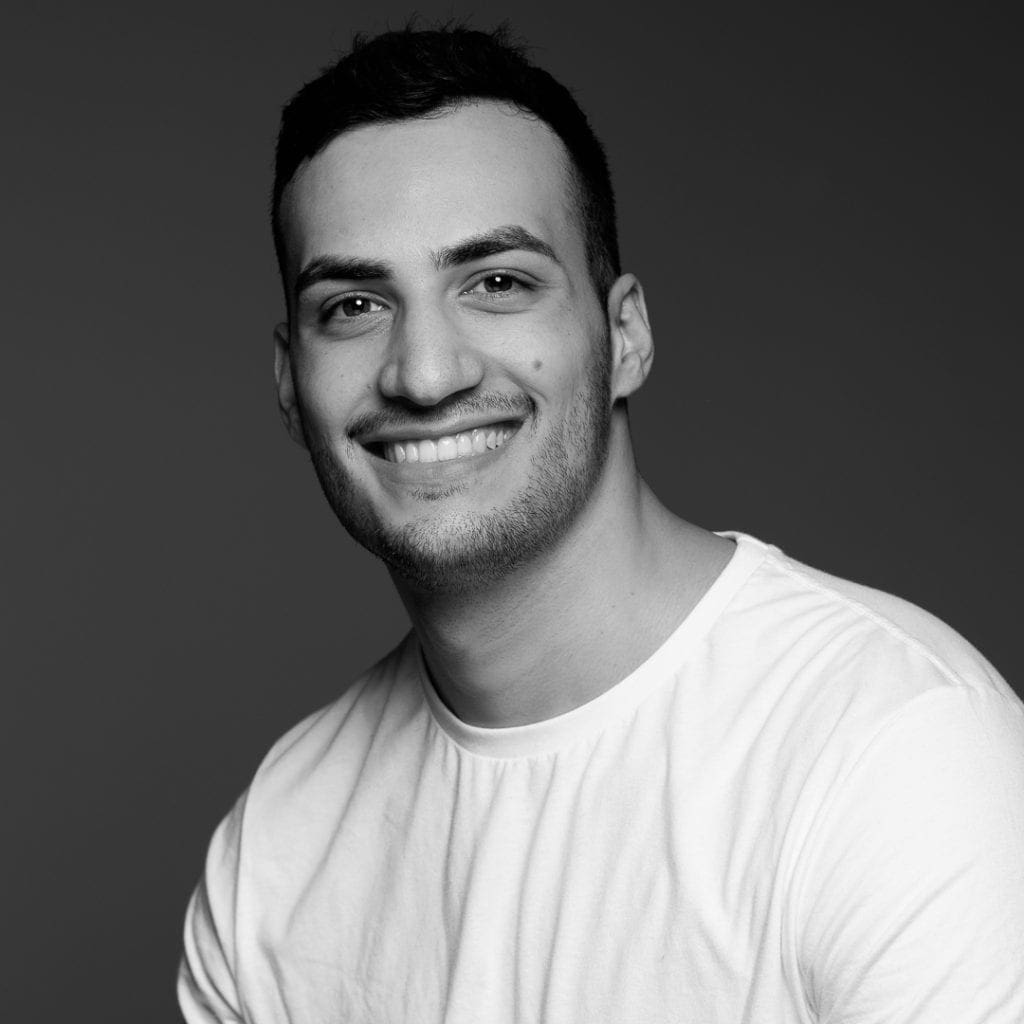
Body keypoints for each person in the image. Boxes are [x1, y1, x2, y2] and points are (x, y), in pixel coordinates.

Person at [178, 25, 1024, 1024]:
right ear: (289, 383)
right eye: (355, 304)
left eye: (496, 283)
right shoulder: (277, 845)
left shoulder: (891, 751)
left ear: (623, 336)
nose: (424, 371)